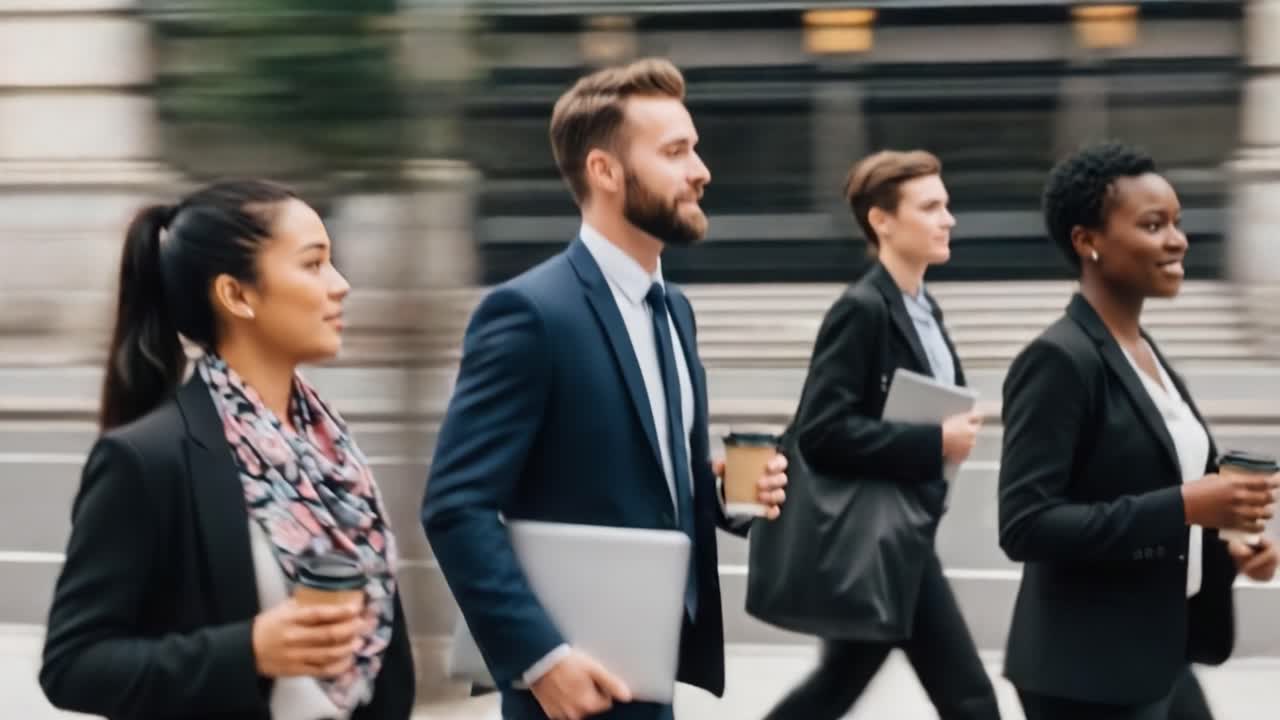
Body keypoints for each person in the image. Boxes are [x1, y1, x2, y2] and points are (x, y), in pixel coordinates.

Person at [422, 58, 788, 720]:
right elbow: (455, 506)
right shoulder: (529, 314)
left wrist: (726, 494)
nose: (701, 170)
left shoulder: (674, 310)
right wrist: (542, 661)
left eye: (695, 149)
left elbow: (647, 477)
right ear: (605, 171)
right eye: (675, 152)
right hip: (567, 689)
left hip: (653, 675)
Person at [39, 180, 417, 720]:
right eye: (313, 265)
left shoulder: (330, 450)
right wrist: (249, 651)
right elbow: (73, 664)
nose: (341, 286)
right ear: (237, 295)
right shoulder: (148, 459)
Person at [998, 141, 1280, 720]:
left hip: (1161, 653)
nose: (1177, 240)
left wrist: (1231, 546)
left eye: (1176, 223)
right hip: (1086, 673)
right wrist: (1182, 505)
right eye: (1153, 225)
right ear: (1088, 242)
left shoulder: (1142, 353)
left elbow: (1162, 486)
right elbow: (1026, 525)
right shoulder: (1059, 360)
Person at [761, 150, 1000, 720]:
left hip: (900, 535)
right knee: (970, 700)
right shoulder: (863, 310)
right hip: (882, 541)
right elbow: (822, 432)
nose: (949, 219)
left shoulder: (923, 308)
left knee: (834, 687)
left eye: (946, 205)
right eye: (931, 206)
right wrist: (934, 442)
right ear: (882, 221)